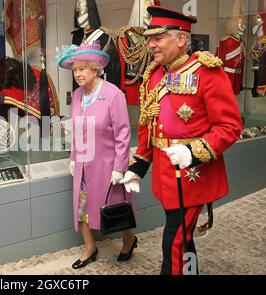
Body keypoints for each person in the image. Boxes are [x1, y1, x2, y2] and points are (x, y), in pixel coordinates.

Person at [119, 6, 242, 275]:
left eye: (157, 37)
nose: (150, 44)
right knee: (184, 239)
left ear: (181, 39)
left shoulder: (207, 72)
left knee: (173, 242)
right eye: (149, 38)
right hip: (166, 177)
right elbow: (149, 126)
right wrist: (138, 166)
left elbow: (230, 126)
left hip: (193, 177)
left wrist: (193, 152)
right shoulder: (153, 75)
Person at [57, 43, 137, 269]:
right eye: (75, 70)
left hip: (107, 165)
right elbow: (76, 130)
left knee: (113, 206)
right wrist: (73, 157)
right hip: (83, 164)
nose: (78, 74)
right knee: (81, 208)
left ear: (95, 69)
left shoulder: (113, 95)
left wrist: (119, 167)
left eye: (83, 69)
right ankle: (90, 248)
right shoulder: (76, 95)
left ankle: (129, 240)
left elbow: (123, 134)